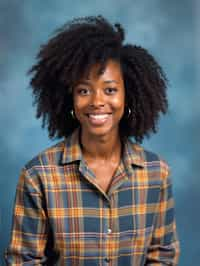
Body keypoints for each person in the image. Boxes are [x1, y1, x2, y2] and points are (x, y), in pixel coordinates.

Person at [5, 15, 180, 265]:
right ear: (70, 99)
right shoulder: (38, 176)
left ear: (129, 96)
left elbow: (163, 257)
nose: (97, 101)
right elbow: (23, 260)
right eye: (84, 90)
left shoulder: (157, 174)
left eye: (110, 89)